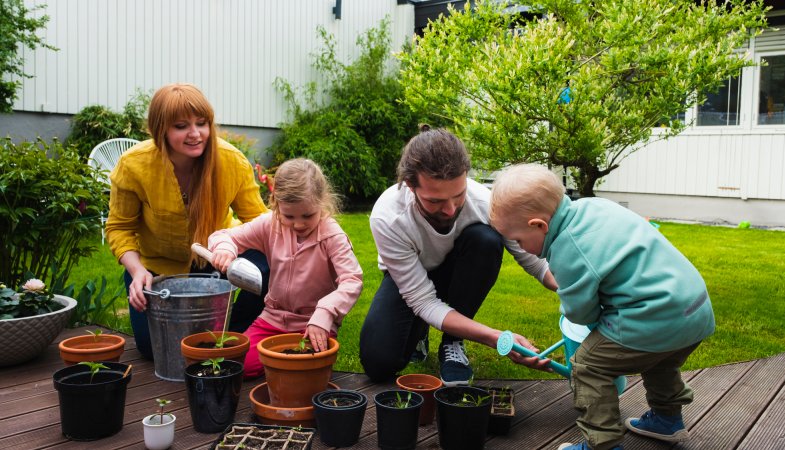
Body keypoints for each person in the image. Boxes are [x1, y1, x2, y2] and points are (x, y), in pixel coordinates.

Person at [489, 163, 715, 450]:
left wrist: (594, 324)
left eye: (519, 240)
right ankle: (667, 420)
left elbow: (581, 313)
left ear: (539, 226)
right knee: (660, 359)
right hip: (694, 308)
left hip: (654, 315)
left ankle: (602, 445)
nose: (520, 248)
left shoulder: (567, 249)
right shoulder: (593, 207)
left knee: (587, 366)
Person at [359, 126, 558, 387]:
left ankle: (452, 342)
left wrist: (579, 293)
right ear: (410, 185)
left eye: (458, 195)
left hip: (460, 272)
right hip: (410, 281)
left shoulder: (485, 203)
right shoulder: (389, 216)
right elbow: (422, 300)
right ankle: (420, 334)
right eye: (435, 201)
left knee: (486, 240)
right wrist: (494, 337)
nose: (451, 209)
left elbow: (536, 262)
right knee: (378, 363)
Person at [106, 83, 270, 359]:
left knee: (269, 264)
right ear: (161, 129)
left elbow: (261, 223)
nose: (195, 134)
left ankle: (235, 333)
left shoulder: (231, 161)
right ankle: (211, 333)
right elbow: (119, 227)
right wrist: (136, 271)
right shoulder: (134, 165)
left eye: (202, 123)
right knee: (154, 350)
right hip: (156, 270)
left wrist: (229, 249)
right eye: (181, 126)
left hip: (218, 259)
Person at [207, 158, 363, 379]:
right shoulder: (270, 224)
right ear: (275, 203)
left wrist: (325, 312)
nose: (298, 224)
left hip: (314, 323)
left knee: (303, 371)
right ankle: (276, 359)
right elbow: (224, 236)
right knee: (236, 365)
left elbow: (352, 280)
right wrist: (225, 248)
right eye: (289, 216)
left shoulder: (332, 236)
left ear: (322, 202)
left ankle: (284, 362)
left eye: (308, 216)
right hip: (272, 319)